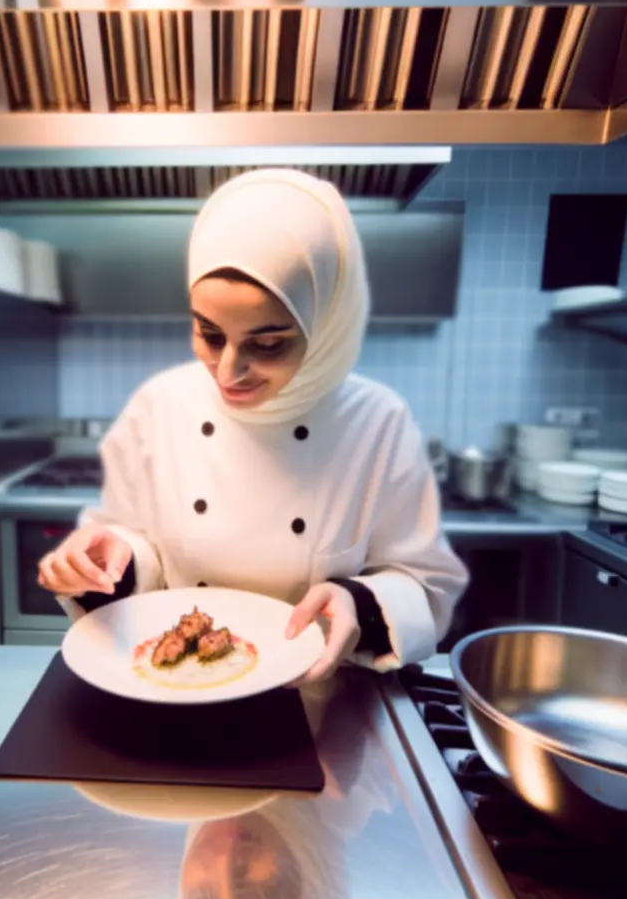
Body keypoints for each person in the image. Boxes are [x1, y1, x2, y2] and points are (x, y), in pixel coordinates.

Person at [38, 168, 467, 679]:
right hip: (182, 690)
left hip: (324, 695)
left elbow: (423, 584)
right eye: (209, 333)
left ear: (325, 322)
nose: (228, 371)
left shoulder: (377, 421)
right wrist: (108, 562)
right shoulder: (159, 406)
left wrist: (362, 603)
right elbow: (139, 548)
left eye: (267, 344)